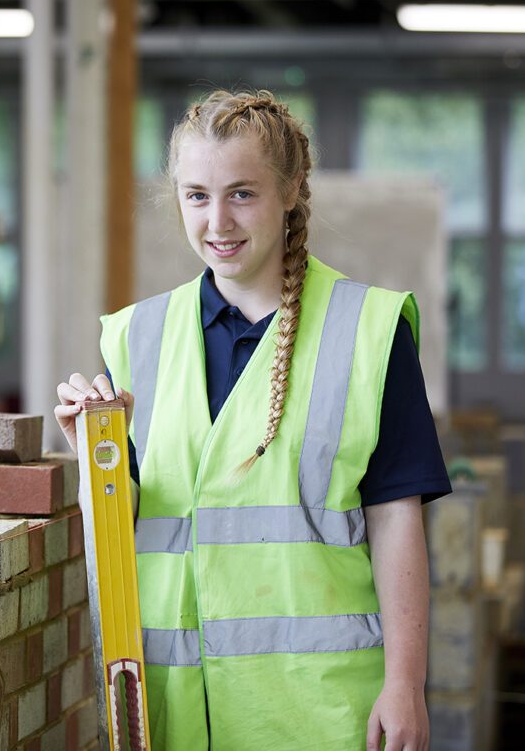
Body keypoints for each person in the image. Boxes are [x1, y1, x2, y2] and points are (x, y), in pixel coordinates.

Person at [54, 89, 451, 751]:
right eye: (197, 196)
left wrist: (406, 683)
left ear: (292, 189)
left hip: (318, 710)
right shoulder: (135, 337)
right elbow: (125, 535)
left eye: (242, 193)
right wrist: (95, 459)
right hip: (173, 711)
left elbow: (395, 519)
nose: (218, 222)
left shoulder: (368, 331)